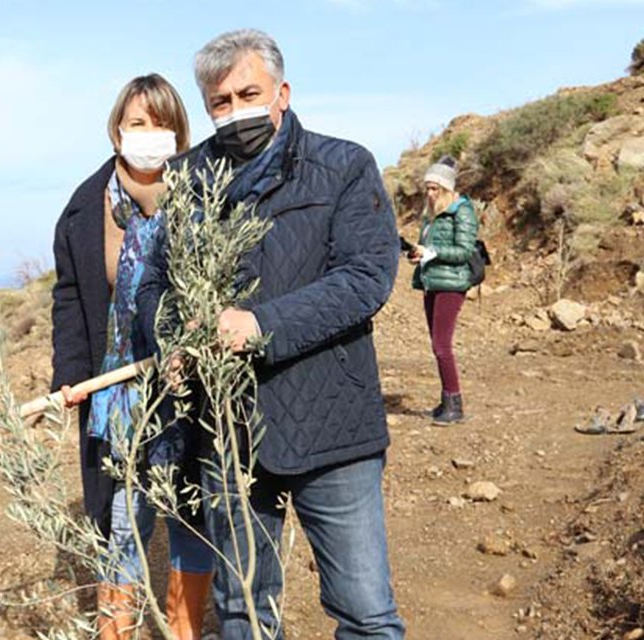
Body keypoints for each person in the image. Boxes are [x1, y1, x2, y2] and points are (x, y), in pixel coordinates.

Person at [138, 29, 405, 640]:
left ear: (281, 93)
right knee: (242, 609)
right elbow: (156, 283)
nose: (235, 111)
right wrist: (172, 337)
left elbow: (366, 278)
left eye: (247, 93)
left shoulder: (343, 165)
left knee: (365, 612)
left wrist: (263, 324)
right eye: (220, 102)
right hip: (227, 432)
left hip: (330, 427)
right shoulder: (187, 177)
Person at [50, 74, 213, 640]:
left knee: (192, 508)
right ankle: (115, 629)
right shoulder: (85, 208)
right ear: (116, 129)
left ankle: (184, 627)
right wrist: (72, 376)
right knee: (126, 514)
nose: (149, 134)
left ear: (180, 132)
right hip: (119, 384)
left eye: (161, 123)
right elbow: (70, 296)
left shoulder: (204, 197)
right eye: (138, 123)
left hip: (191, 384)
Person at [408, 155, 479, 425]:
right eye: (427, 187)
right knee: (437, 345)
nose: (429, 192)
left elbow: (463, 251)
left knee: (442, 346)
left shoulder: (462, 211)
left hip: (451, 284)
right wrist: (418, 254)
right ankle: (447, 401)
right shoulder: (433, 214)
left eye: (434, 188)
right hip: (432, 282)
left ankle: (454, 403)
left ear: (447, 188)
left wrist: (432, 252)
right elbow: (429, 248)